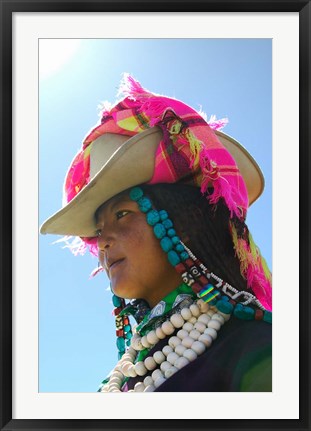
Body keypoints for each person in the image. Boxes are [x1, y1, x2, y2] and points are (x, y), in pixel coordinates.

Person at [40, 74, 272, 392]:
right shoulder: (124, 379)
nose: (104, 241)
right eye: (98, 229)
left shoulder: (257, 350)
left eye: (122, 214)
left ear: (186, 224)